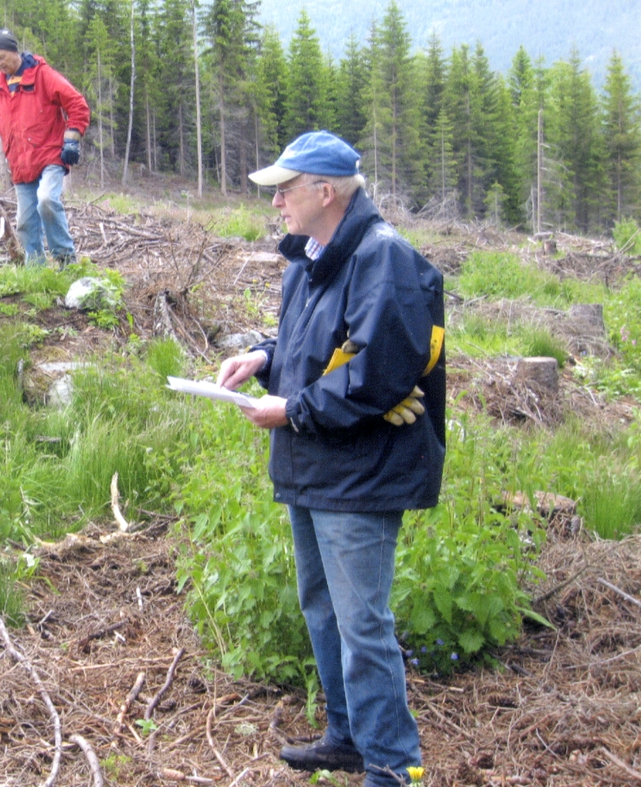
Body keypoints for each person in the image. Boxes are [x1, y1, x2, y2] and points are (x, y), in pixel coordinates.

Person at [216, 130, 445, 787]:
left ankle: (392, 763)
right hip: (314, 464)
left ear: (326, 191)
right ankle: (347, 735)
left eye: (285, 188)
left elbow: (377, 370)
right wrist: (264, 354)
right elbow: (311, 344)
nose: (277, 201)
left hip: (361, 473)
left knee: (363, 623)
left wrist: (291, 410)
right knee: (322, 606)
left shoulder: (384, 258)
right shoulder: (311, 256)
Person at [0, 29, 91, 266]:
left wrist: (72, 139)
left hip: (50, 156)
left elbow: (77, 104)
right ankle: (35, 273)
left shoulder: (42, 75)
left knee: (47, 201)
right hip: (21, 165)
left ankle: (65, 261)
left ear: (13, 51)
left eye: (2, 57)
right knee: (25, 222)